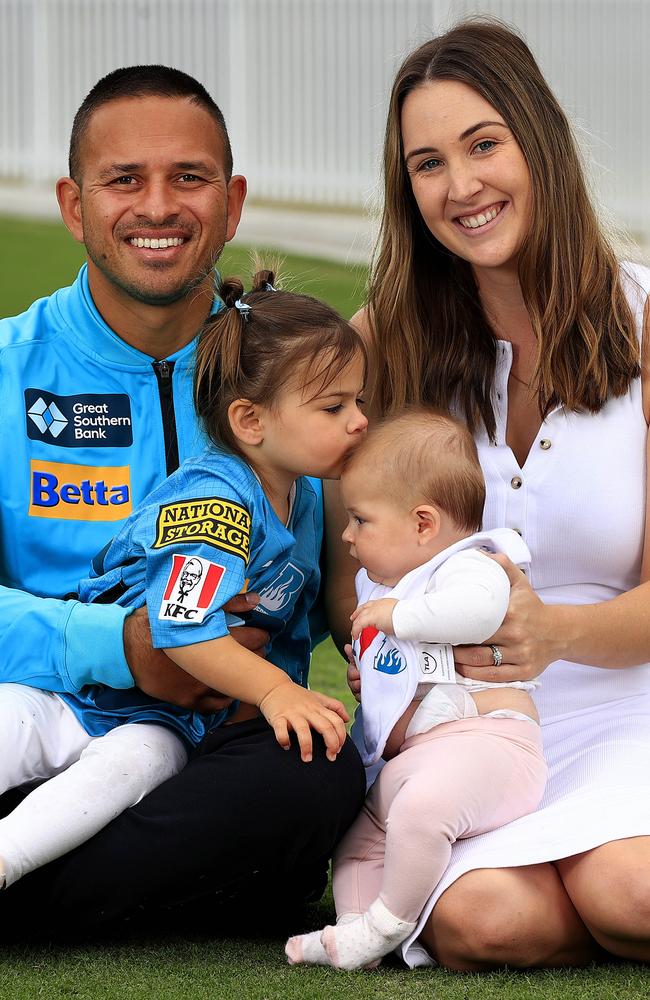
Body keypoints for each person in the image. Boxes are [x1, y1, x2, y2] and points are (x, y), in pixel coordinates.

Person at [0, 66, 366, 932]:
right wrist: (121, 645)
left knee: (317, 774)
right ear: (74, 203)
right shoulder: (11, 367)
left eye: (188, 178)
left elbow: (337, 588)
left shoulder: (299, 374)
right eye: (124, 179)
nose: (157, 206)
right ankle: (175, 886)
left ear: (232, 203)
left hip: (205, 742)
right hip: (41, 698)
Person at [325, 17, 650, 970]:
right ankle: (562, 885)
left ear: (538, 140)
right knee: (485, 925)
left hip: (626, 694)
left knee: (628, 895)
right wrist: (378, 635)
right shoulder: (385, 340)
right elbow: (333, 549)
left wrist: (554, 636)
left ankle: (600, 881)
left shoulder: (644, 319)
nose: (461, 186)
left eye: (483, 145)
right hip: (462, 726)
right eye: (428, 163)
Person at [286, 409, 546, 969]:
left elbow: (478, 613)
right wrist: (373, 674)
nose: (348, 537)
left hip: (488, 746)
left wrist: (398, 617)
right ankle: (355, 933)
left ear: (423, 524)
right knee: (356, 842)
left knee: (421, 814)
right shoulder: (388, 585)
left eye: (360, 520)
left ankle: (387, 923)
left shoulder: (469, 563)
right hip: (411, 760)